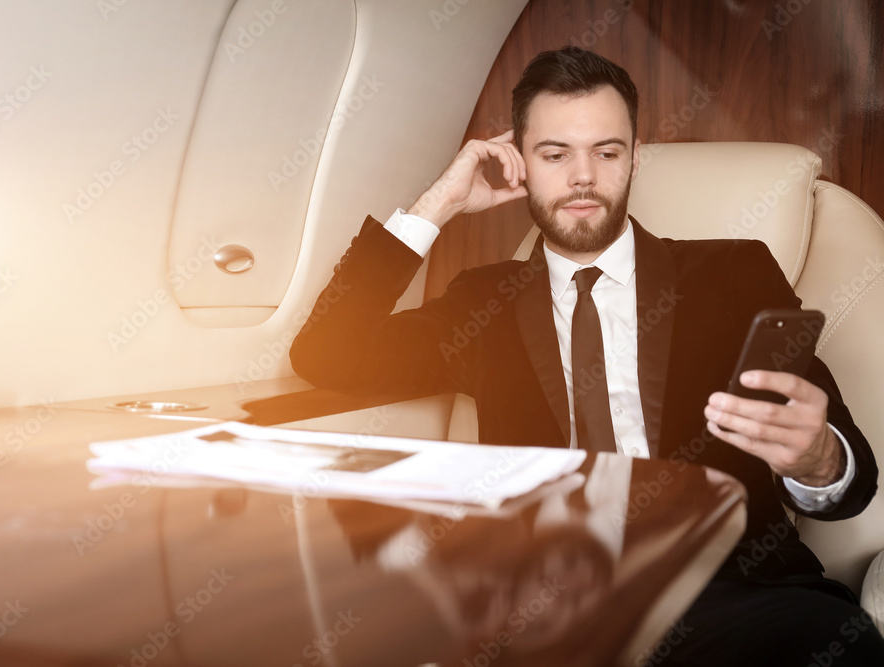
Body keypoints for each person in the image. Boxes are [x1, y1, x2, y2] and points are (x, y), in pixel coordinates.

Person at [289, 46, 883, 665]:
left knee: (839, 646)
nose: (583, 177)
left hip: (727, 589)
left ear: (632, 159)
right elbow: (326, 353)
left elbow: (850, 481)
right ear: (520, 162)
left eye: (607, 152)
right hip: (542, 605)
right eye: (555, 154)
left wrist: (818, 459)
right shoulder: (482, 302)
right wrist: (438, 204)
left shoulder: (733, 272)